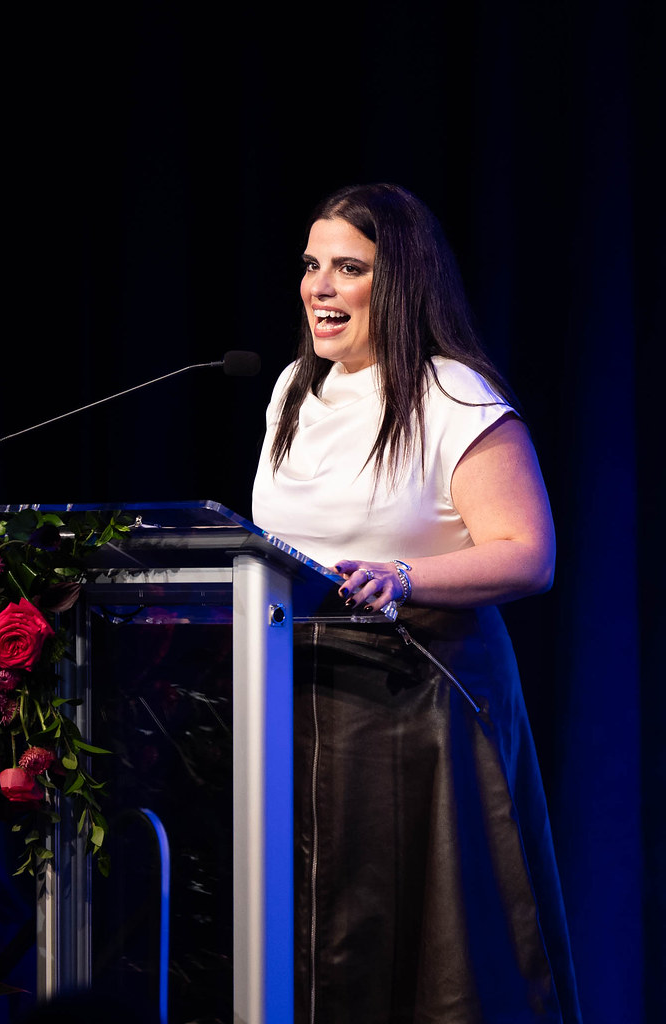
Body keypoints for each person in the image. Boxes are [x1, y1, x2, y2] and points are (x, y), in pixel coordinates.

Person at [252, 183, 582, 1023]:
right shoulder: (293, 390)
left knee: (438, 953)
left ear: (398, 281)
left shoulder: (452, 396)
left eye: (348, 268)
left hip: (423, 702)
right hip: (297, 697)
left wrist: (402, 578)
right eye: (311, 266)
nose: (320, 288)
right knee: (316, 946)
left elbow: (528, 553)